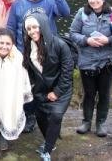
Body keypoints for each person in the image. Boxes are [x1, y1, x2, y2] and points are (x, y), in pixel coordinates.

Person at [69, 0, 112, 137]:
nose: (93, 0)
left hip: (108, 61)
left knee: (104, 93)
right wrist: (86, 40)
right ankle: (86, 122)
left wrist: (109, 40)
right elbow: (72, 33)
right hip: (87, 61)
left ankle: (101, 123)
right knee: (89, 93)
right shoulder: (82, 13)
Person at [22, 14, 74, 161]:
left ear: (43, 26)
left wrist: (57, 92)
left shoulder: (60, 45)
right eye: (29, 29)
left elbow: (67, 71)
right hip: (41, 89)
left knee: (56, 116)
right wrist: (32, 85)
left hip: (61, 89)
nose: (32, 31)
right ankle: (50, 140)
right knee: (41, 116)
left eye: (35, 27)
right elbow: (29, 68)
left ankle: (47, 150)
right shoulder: (28, 46)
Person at [6, 0, 71, 48]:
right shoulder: (17, 4)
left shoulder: (50, 0)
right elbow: (11, 28)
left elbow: (66, 13)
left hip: (48, 50)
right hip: (24, 51)